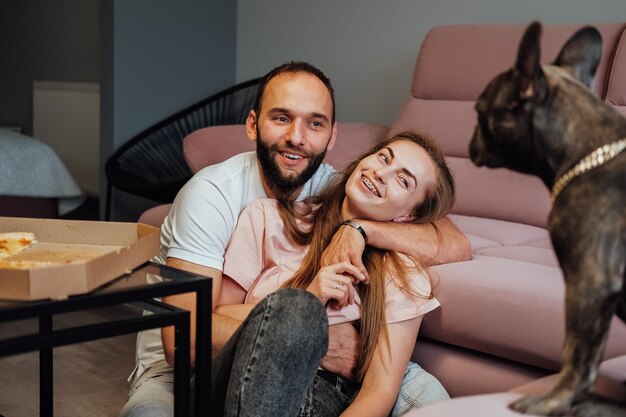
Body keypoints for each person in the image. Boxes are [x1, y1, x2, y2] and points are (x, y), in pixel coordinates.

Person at [119, 62, 470, 417]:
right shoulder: (230, 202)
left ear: (332, 137)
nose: (297, 138)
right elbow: (186, 342)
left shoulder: (335, 190)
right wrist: (311, 338)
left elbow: (456, 243)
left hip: (332, 385)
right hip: (189, 365)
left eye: (314, 123)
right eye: (282, 118)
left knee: (433, 399)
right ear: (253, 124)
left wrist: (359, 230)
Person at [214, 130, 454, 417]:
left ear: (408, 216)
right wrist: (310, 302)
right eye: (383, 158)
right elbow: (216, 318)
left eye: (403, 181)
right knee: (295, 305)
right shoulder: (266, 218)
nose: (381, 173)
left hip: (321, 398)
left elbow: (378, 394)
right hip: (231, 381)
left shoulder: (401, 272)